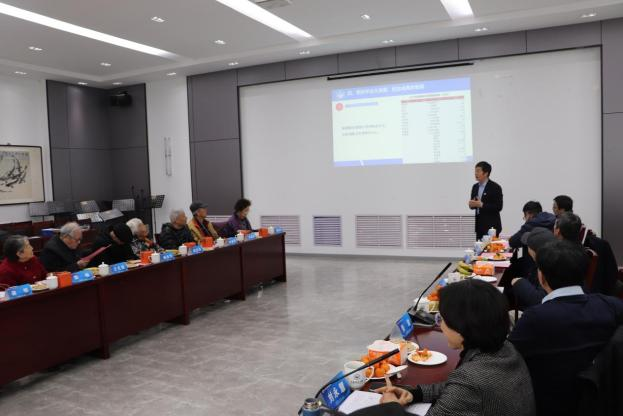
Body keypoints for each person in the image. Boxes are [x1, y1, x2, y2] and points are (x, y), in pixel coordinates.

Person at [353, 280, 536, 416]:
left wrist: (391, 407)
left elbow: (466, 386)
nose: (440, 326)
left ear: (463, 329)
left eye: (442, 320)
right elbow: (457, 388)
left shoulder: (472, 377)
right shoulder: (504, 348)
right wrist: (415, 393)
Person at [508, 240, 623, 416]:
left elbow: (508, 359)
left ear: (542, 277)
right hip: (601, 401)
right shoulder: (612, 306)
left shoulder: (535, 318)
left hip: (548, 404)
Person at [468, 161, 503, 240]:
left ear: (486, 173)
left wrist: (482, 205)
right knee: (479, 247)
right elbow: (474, 205)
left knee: (490, 248)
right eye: (475, 171)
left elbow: (499, 206)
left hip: (491, 226)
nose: (475, 173)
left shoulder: (495, 187)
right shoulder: (475, 187)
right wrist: (471, 205)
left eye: (478, 171)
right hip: (479, 225)